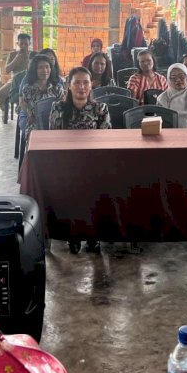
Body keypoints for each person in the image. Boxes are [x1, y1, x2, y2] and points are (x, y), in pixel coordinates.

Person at [49, 66, 111, 255]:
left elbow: (106, 140)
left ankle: (93, 236)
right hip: (67, 165)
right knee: (70, 192)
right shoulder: (58, 107)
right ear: (69, 86)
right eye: (77, 83)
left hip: (94, 163)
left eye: (85, 82)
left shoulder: (101, 109)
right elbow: (53, 139)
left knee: (96, 194)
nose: (81, 87)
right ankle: (73, 235)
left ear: (91, 85)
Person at [19, 54, 65, 134]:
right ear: (34, 70)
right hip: (35, 125)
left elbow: (63, 106)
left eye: (47, 67)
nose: (44, 70)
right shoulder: (28, 89)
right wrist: (29, 113)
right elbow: (24, 104)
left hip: (55, 125)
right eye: (40, 68)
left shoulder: (57, 89)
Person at [0, 33, 34, 124]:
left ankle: (24, 111)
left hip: (31, 80)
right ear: (18, 44)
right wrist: (16, 59)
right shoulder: (13, 54)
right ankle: (4, 110)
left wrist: (28, 59)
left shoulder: (33, 54)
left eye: (26, 44)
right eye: (21, 44)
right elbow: (7, 70)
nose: (23, 46)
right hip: (15, 81)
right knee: (0, 93)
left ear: (29, 44)